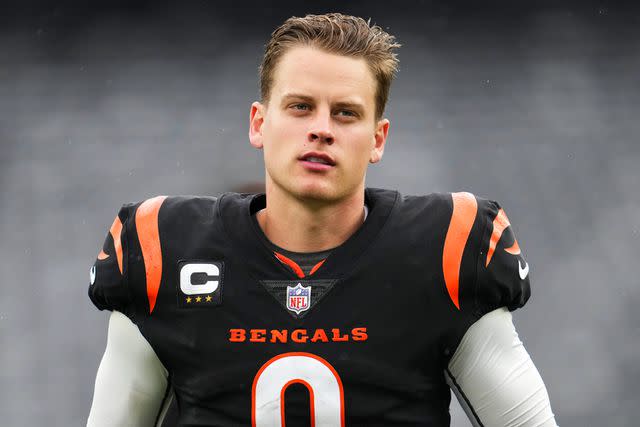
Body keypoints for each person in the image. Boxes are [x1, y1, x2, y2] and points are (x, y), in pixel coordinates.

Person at [87, 13, 558, 427]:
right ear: (258, 123)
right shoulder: (161, 249)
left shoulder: (446, 251)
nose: (321, 128)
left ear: (378, 139)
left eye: (346, 113)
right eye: (300, 106)